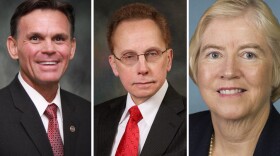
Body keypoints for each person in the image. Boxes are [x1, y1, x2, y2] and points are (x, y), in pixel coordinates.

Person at [189, 0, 280, 155]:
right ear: (196, 65)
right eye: (214, 54)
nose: (229, 72)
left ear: (276, 69)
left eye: (249, 55)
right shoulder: (184, 132)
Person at [0, 0, 91, 155]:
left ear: (72, 48)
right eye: (35, 38)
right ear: (13, 47)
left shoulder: (88, 114)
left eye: (59, 38)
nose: (49, 49)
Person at [94, 3, 186, 156]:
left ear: (168, 59)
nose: (143, 68)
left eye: (152, 53)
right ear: (114, 65)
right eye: (129, 56)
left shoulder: (191, 123)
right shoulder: (94, 118)